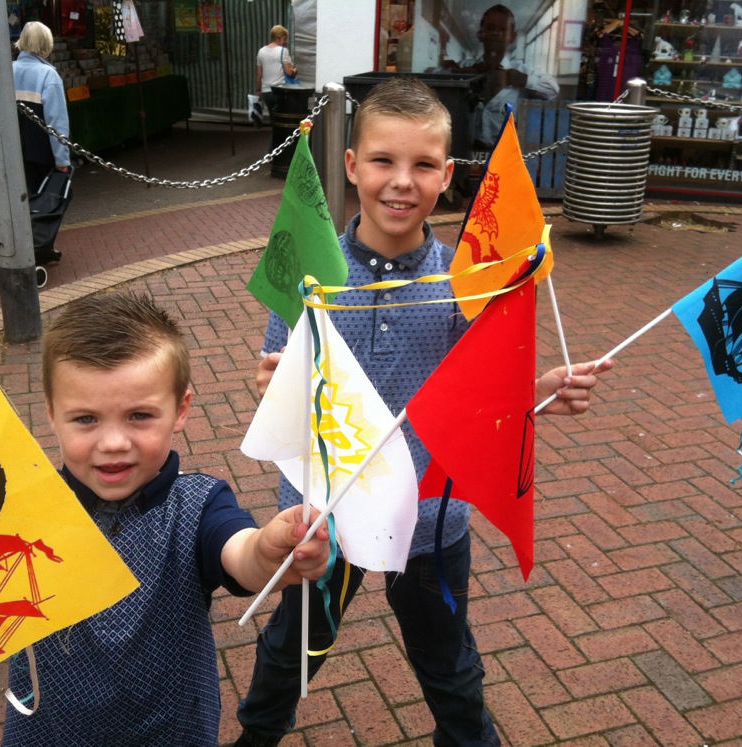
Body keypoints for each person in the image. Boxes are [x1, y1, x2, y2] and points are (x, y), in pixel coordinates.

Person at [235, 77, 612, 747]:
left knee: (449, 664)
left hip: (430, 517)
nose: (402, 181)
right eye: (383, 160)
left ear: (447, 174)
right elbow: (279, 385)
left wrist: (542, 389)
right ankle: (257, 736)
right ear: (352, 165)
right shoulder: (311, 272)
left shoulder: (468, 281)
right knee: (291, 649)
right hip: (323, 511)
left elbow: (485, 397)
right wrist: (274, 385)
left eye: (423, 164)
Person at [0, 292, 331, 746]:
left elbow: (239, 553)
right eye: (86, 419)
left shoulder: (199, 503)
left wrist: (268, 551)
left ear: (181, 410)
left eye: (140, 416)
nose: (113, 442)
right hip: (47, 729)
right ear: (52, 414)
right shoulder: (28, 507)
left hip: (171, 729)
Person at [444, 4, 559, 148]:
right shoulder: (465, 66)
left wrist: (525, 80)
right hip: (464, 150)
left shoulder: (521, 70)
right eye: (490, 28)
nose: (496, 33)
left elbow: (552, 90)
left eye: (503, 29)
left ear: (512, 37)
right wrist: (458, 75)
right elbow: (433, 78)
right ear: (480, 34)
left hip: (504, 152)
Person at [13, 21, 71, 196]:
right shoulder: (48, 74)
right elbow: (56, 121)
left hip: (16, 151)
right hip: (43, 153)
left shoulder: (8, 70)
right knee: (48, 200)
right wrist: (62, 159)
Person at [255, 25, 297, 144]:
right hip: (280, 91)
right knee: (283, 122)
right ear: (278, 38)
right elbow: (289, 72)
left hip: (266, 92)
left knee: (274, 122)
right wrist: (295, 70)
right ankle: (279, 148)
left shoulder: (261, 51)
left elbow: (259, 74)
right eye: (284, 39)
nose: (286, 42)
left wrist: (258, 90)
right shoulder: (283, 51)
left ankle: (274, 148)